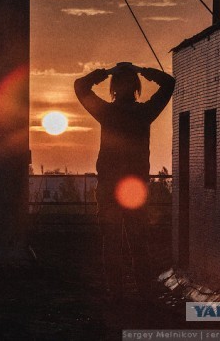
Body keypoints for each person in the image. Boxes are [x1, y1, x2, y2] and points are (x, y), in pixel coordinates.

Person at [74, 62, 175, 301]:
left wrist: (106, 72)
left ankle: (116, 291)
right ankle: (144, 290)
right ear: (137, 88)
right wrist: (143, 70)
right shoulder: (144, 114)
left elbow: (80, 87)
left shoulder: (106, 113)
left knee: (111, 242)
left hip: (109, 186)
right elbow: (169, 83)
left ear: (114, 88)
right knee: (139, 241)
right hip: (135, 189)